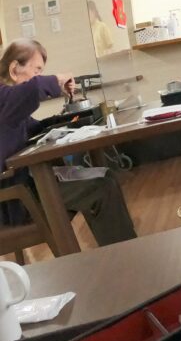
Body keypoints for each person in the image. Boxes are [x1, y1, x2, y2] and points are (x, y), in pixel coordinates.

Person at [0, 39, 137, 246]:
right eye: (36, 70)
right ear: (13, 69)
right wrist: (56, 80)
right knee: (101, 186)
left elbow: (35, 128)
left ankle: (122, 252)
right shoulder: (6, 99)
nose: (38, 76)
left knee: (106, 177)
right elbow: (33, 88)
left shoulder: (10, 105)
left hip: (26, 186)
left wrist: (71, 121)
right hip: (15, 201)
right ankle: (126, 256)